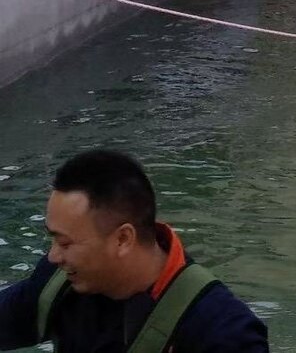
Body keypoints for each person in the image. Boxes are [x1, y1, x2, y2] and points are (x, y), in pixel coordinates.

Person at [0, 149, 268, 353]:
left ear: (123, 239)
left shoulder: (223, 333)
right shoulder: (58, 285)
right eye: (53, 239)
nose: (53, 256)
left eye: (66, 243)